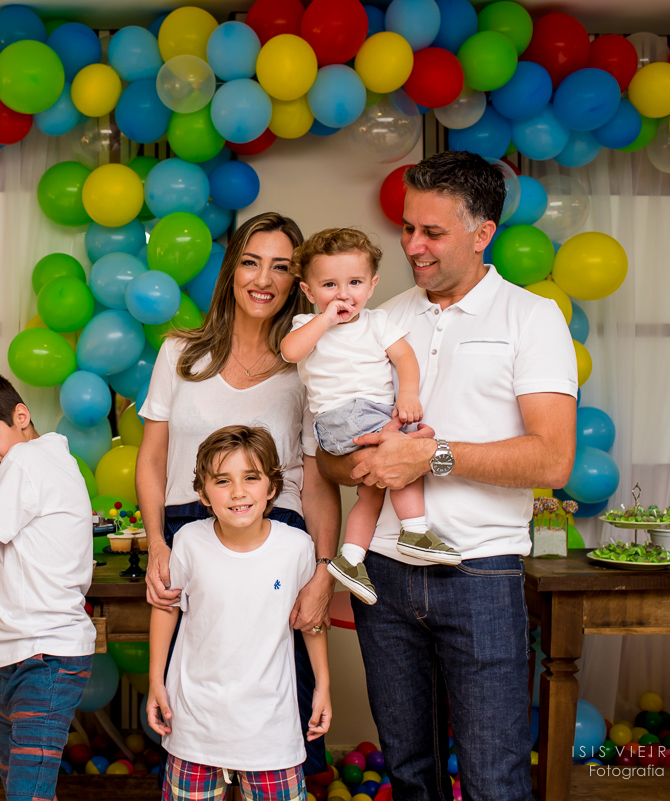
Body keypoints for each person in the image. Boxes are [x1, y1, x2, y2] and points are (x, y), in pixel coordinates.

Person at [317, 151, 577, 801]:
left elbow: (553, 459)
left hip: (481, 571)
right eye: (407, 228)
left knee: (495, 777)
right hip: (384, 573)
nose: (412, 245)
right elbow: (324, 454)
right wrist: (362, 458)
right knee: (409, 773)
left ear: (482, 231)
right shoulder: (379, 317)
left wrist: (430, 456)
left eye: (432, 232)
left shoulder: (531, 317)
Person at [137, 211, 340, 774]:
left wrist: (324, 569)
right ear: (230, 271)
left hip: (282, 540)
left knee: (286, 709)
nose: (263, 279)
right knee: (189, 708)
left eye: (281, 267)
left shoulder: (310, 365)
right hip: (186, 530)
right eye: (250, 262)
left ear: (297, 282)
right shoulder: (181, 353)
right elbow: (152, 459)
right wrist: (158, 540)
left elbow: (318, 476)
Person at [147, 425, 331, 801]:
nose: (238, 492)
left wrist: (323, 685)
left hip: (271, 735)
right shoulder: (188, 542)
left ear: (272, 487)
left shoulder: (297, 547)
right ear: (202, 493)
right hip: (195, 731)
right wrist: (155, 680)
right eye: (222, 481)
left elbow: (310, 620)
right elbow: (166, 608)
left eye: (251, 477)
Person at [281, 228, 460, 607]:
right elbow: (292, 352)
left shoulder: (377, 323)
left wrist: (408, 394)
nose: (343, 294)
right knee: (404, 454)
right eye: (329, 285)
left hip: (374, 414)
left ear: (372, 285)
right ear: (308, 292)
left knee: (374, 489)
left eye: (355, 283)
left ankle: (351, 558)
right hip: (341, 417)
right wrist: (325, 319)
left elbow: (405, 358)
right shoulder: (306, 326)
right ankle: (414, 530)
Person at [0, 369, 96, 801]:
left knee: (26, 793)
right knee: (24, 789)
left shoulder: (26, 462)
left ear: (21, 416)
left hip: (43, 653)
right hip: (17, 650)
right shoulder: (46, 458)